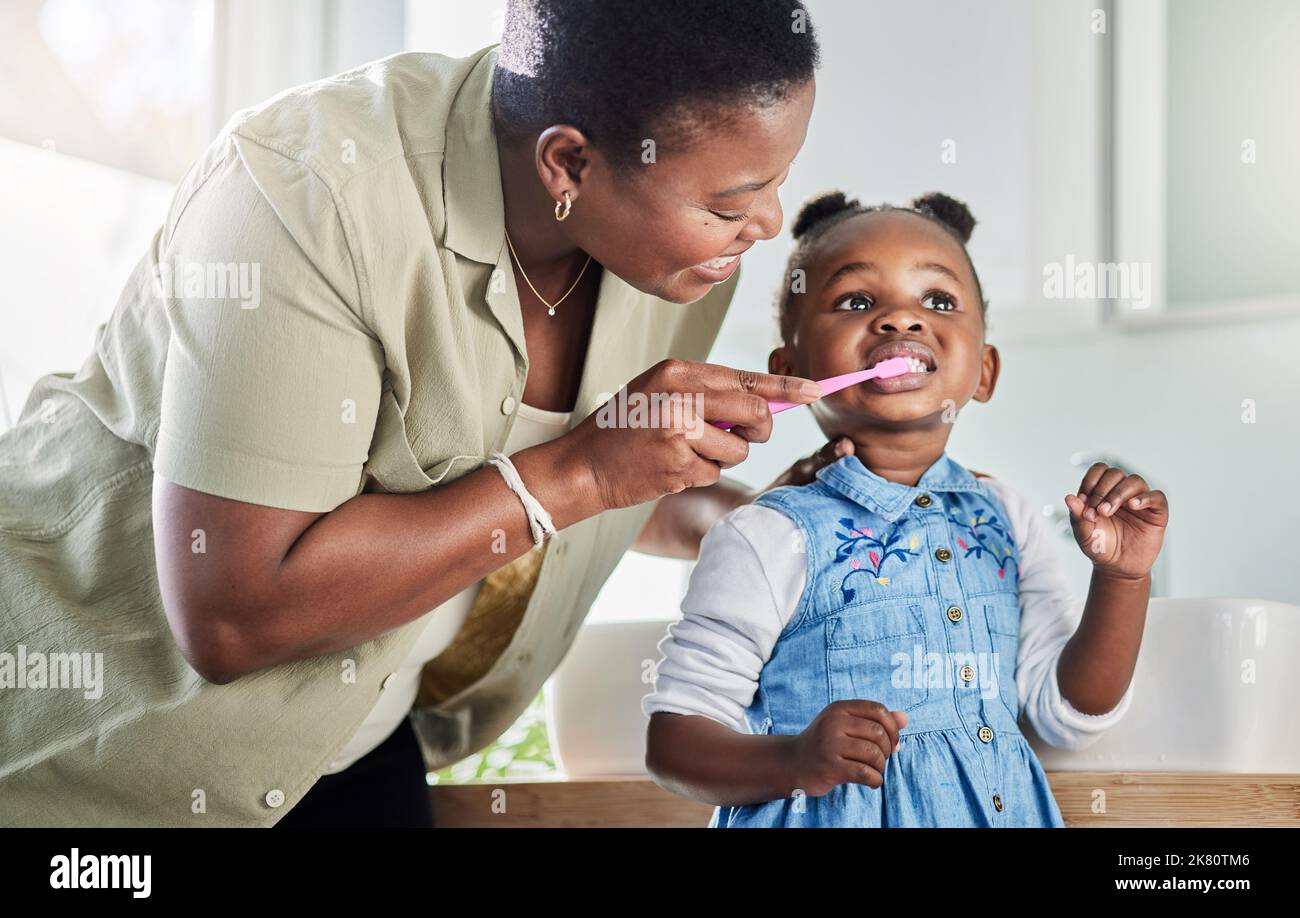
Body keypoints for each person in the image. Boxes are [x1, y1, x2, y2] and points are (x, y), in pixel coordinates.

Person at [0, 0, 832, 827]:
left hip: (358, 739)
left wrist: (765, 530)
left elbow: (605, 485)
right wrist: (582, 470)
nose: (766, 224)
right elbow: (234, 617)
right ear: (569, 165)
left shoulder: (668, 254)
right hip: (101, 770)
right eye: (730, 204)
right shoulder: (307, 196)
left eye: (777, 181)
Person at [642, 191, 1170, 827]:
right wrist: (794, 761)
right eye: (858, 302)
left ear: (984, 371)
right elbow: (674, 746)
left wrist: (1123, 579)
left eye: (939, 301)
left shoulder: (1007, 518)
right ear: (791, 370)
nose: (901, 320)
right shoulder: (768, 533)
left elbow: (1065, 715)